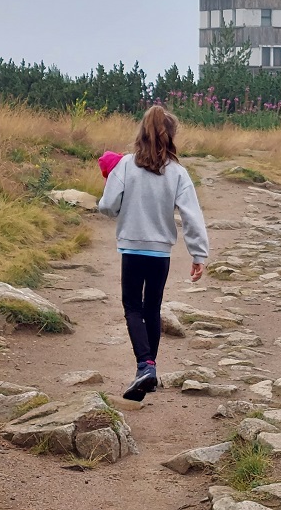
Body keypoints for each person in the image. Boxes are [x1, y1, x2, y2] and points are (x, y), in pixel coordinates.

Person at [97, 105, 208, 401]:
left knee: (133, 307)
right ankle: (150, 369)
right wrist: (198, 254)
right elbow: (192, 216)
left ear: (141, 133)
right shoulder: (178, 173)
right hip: (160, 253)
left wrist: (124, 207)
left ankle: (145, 366)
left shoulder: (124, 166)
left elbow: (107, 205)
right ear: (170, 136)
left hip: (132, 248)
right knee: (152, 309)